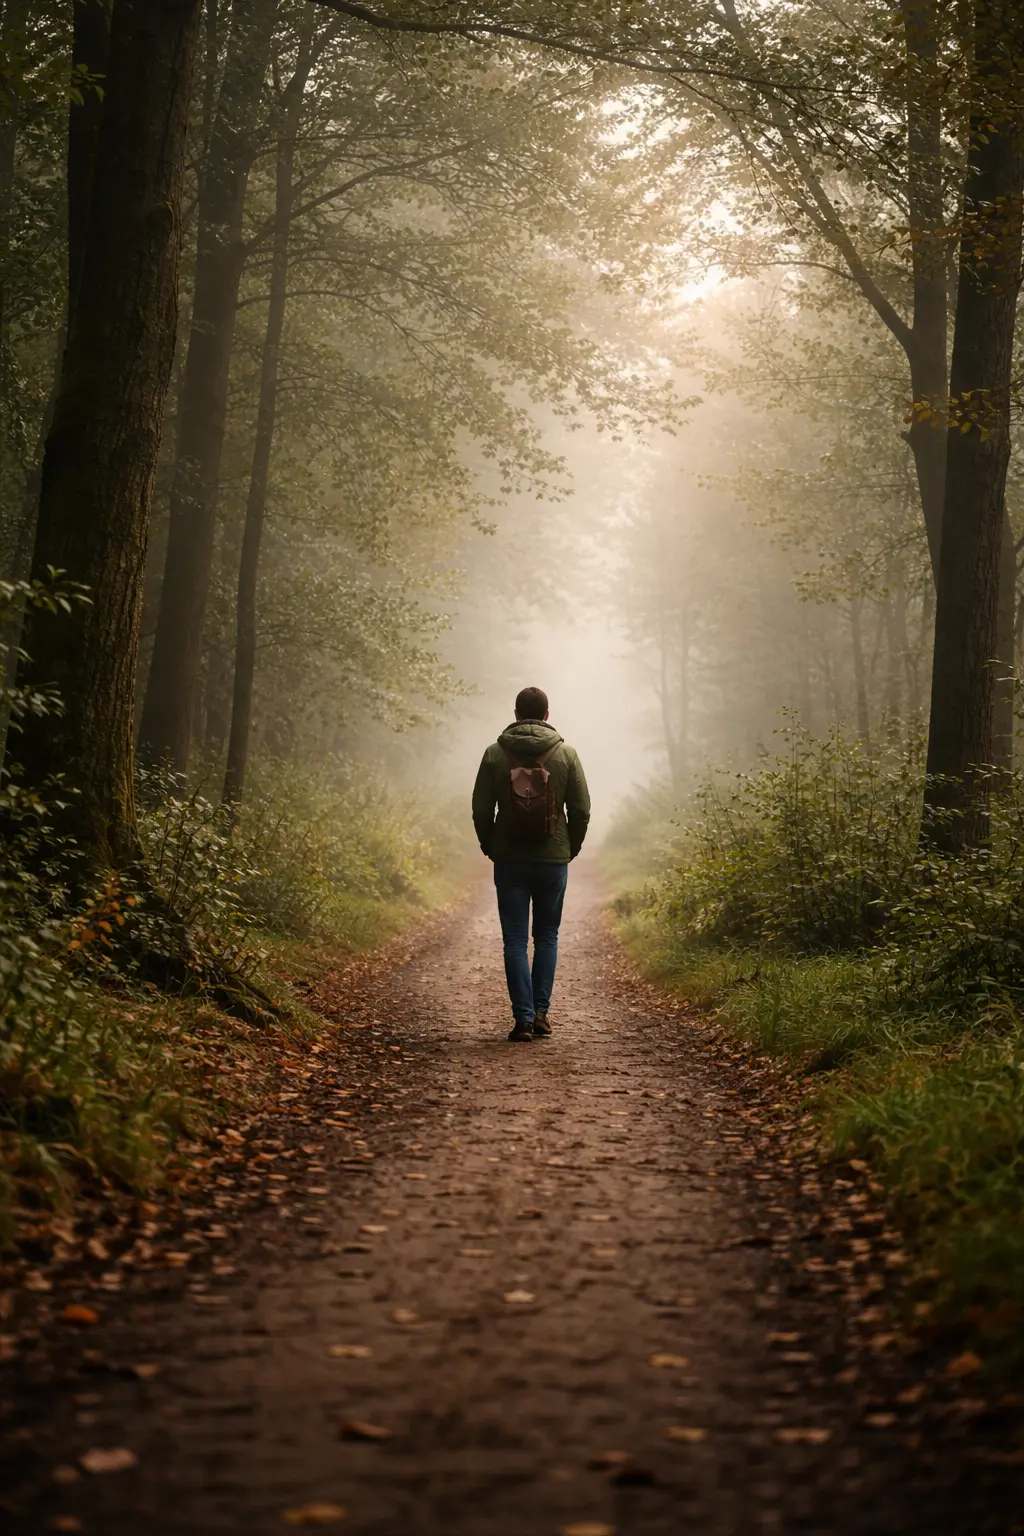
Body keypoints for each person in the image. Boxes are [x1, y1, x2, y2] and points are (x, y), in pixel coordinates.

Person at [472, 686, 591, 1042]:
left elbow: (480, 809)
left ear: (515, 713)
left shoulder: (495, 753)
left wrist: (491, 845)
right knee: (547, 936)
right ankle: (541, 1014)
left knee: (514, 938)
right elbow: (581, 809)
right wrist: (571, 847)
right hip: (552, 859)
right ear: (547, 715)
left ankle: (522, 1019)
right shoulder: (566, 754)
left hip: (509, 859)